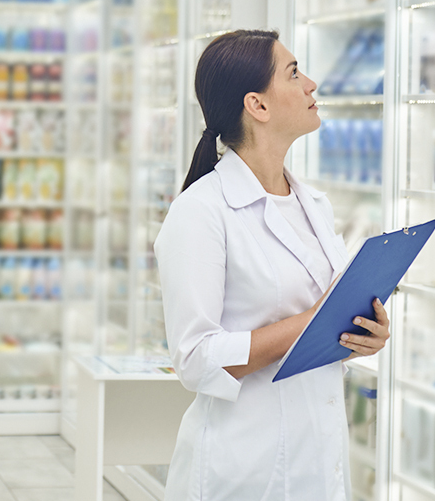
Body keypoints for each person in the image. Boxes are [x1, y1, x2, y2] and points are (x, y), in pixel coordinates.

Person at [154, 30, 390, 501]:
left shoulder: (314, 205)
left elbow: (321, 323)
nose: (312, 84)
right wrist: (314, 322)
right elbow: (195, 360)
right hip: (242, 469)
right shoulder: (202, 211)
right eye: (295, 72)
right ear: (257, 106)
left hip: (317, 460)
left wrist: (362, 334)